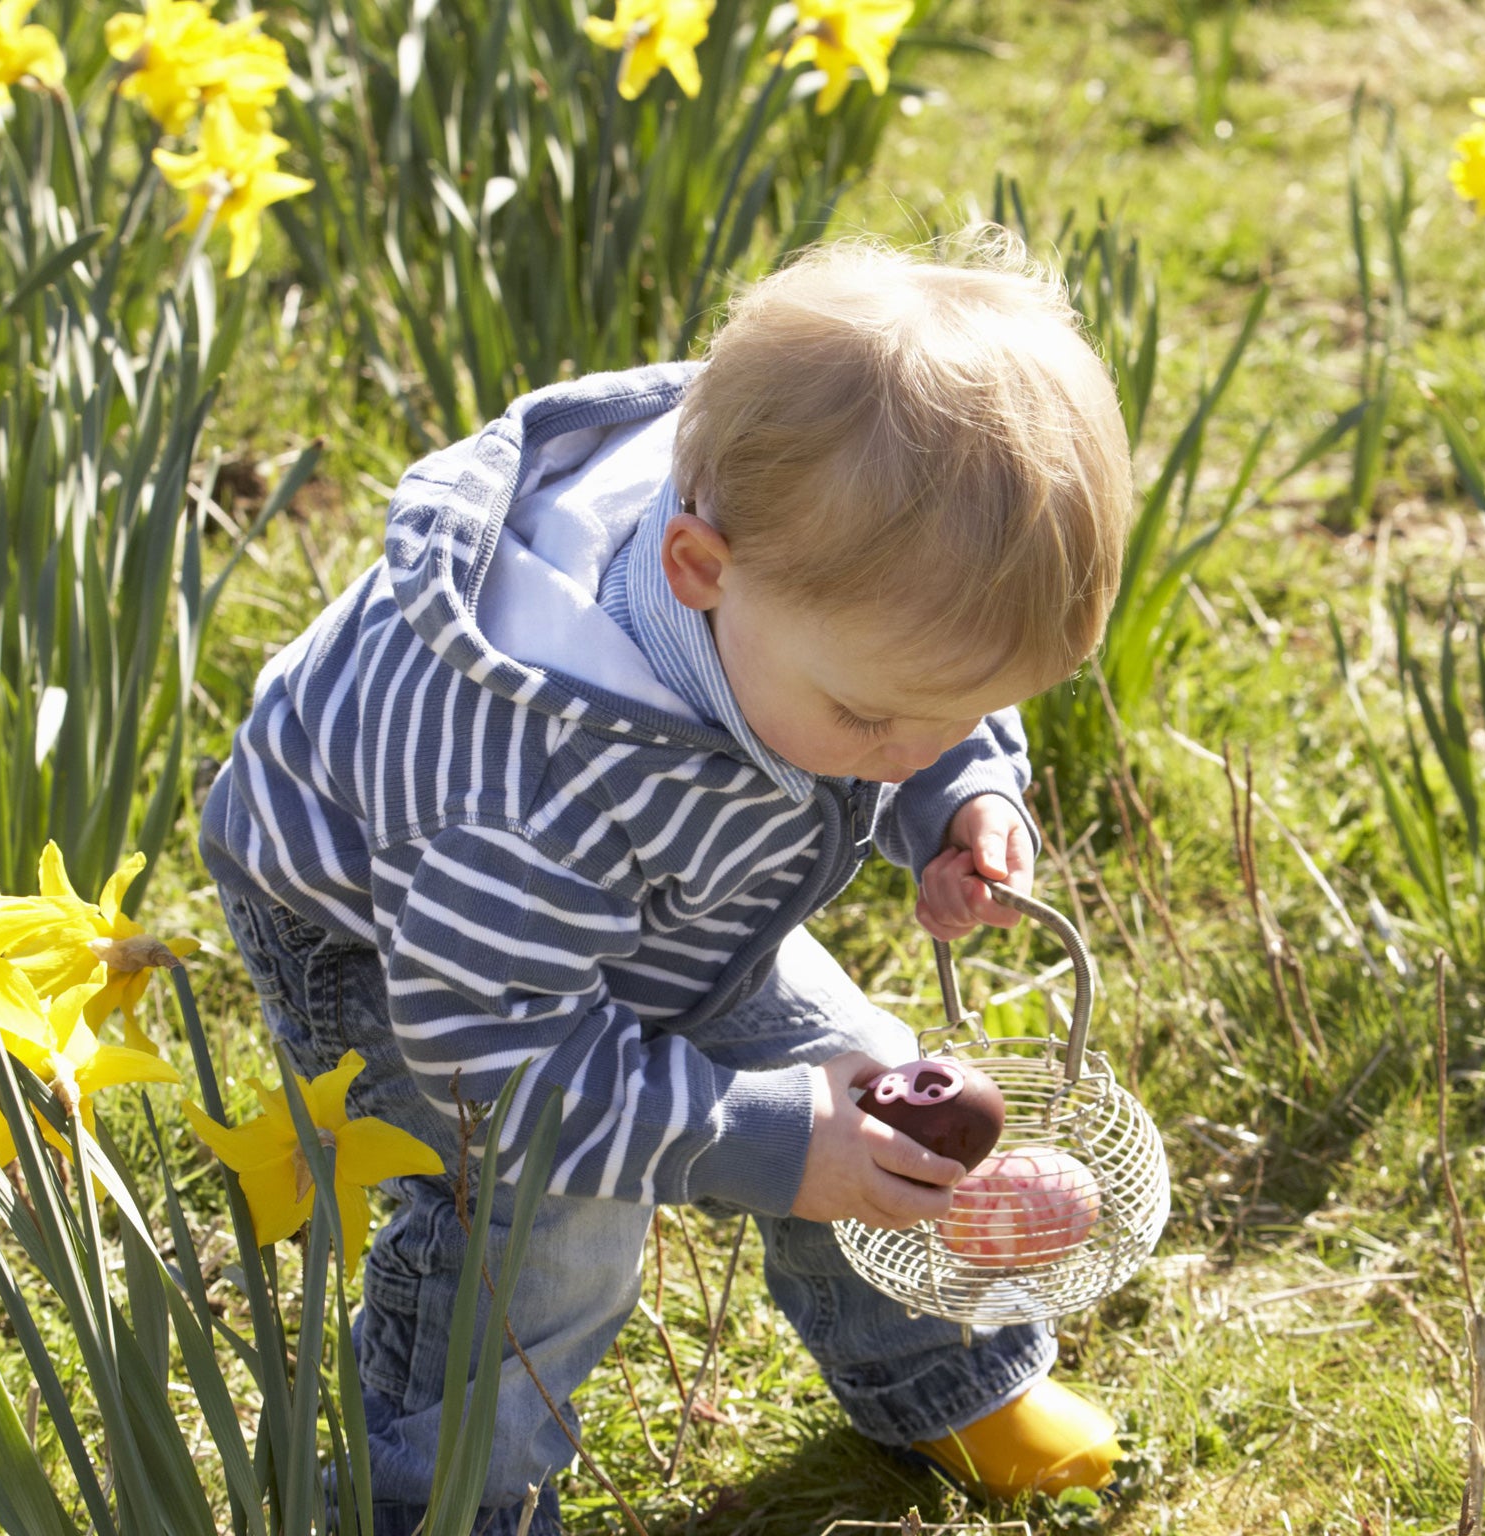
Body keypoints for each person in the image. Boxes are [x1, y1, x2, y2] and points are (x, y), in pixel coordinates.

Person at [200, 226, 1135, 1535]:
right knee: (541, 1222)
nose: (911, 753)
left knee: (865, 1077)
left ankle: (944, 1376)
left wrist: (957, 791)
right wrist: (760, 1140)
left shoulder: (798, 556)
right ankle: (432, 1497)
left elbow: (925, 697)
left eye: (972, 709)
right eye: (884, 722)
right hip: (400, 936)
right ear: (697, 570)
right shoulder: (530, 783)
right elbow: (496, 1061)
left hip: (666, 876)